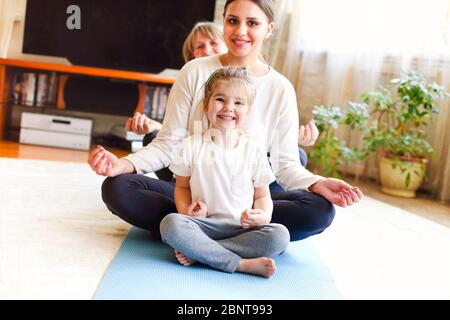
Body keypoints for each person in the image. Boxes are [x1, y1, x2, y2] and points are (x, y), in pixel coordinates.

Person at [88, 0, 363, 243]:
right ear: (224, 24)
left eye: (252, 23)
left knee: (320, 210)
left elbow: (286, 164)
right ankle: (219, 231)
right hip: (195, 196)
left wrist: (316, 183)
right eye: (233, 21)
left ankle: (195, 233)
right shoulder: (194, 71)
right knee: (118, 187)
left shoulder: (280, 88)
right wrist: (124, 164)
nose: (240, 31)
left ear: (268, 29)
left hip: (246, 202)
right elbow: (169, 142)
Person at [125, 19, 318, 168]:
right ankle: (188, 197)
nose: (207, 50)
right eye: (199, 47)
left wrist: (289, 141)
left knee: (297, 156)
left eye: (213, 43)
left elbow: (254, 135)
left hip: (245, 169)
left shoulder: (264, 83)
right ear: (192, 55)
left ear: (228, 44)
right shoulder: (191, 76)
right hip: (195, 167)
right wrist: (158, 128)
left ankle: (252, 204)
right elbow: (177, 136)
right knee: (152, 138)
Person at [160, 67, 289, 277]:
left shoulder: (254, 149)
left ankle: (202, 252)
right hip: (202, 225)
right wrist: (186, 212)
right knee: (171, 224)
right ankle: (240, 264)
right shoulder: (191, 145)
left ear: (247, 111)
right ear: (206, 105)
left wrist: (263, 216)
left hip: (241, 229)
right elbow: (182, 187)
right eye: (220, 99)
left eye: (238, 103)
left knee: (280, 236)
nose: (228, 108)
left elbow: (262, 195)